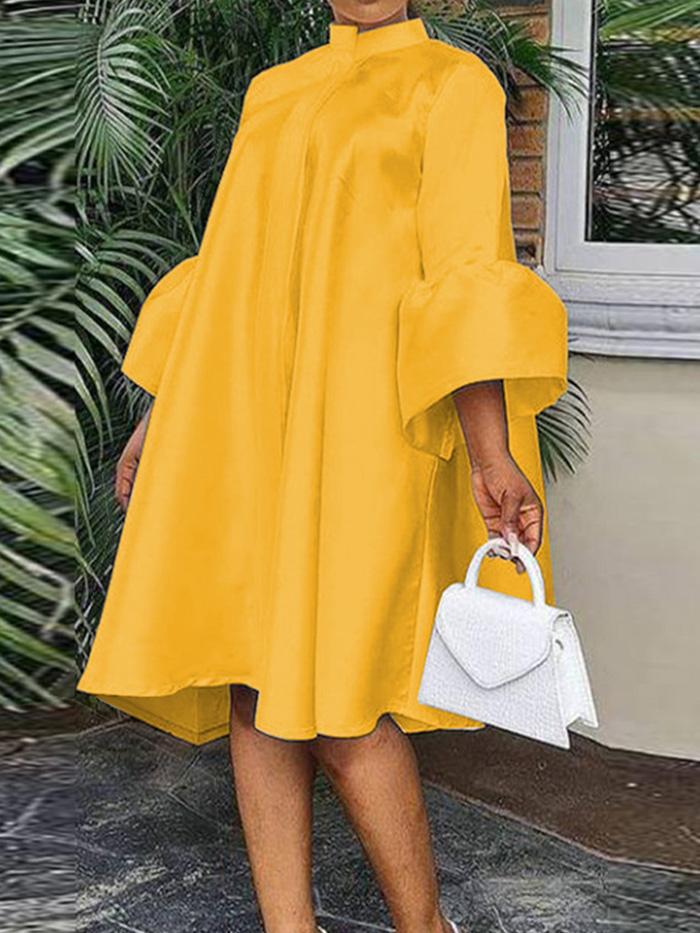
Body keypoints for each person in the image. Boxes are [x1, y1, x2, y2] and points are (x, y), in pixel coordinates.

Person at [78, 1, 568, 930]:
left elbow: (463, 270)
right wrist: (161, 415)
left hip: (368, 432)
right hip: (247, 422)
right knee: (256, 684)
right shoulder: (276, 89)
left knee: (345, 706)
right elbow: (224, 273)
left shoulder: (452, 83)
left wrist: (490, 450)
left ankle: (425, 926)